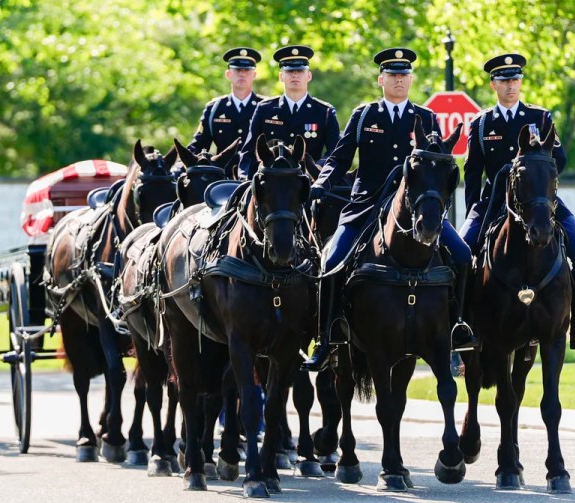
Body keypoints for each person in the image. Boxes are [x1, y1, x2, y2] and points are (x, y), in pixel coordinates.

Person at [302, 48, 475, 371]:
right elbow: (340, 158)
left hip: (416, 210)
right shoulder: (364, 115)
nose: (398, 80)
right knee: (331, 259)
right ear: (381, 80)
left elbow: (439, 165)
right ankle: (326, 338)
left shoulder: (427, 118)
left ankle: (456, 330)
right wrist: (321, 185)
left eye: (403, 75)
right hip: (366, 205)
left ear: (410, 79)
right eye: (392, 75)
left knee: (462, 256)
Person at [459, 53, 575, 354]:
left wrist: (536, 167)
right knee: (458, 251)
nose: (511, 86)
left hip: (540, 204)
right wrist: (475, 209)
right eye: (504, 81)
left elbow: (559, 159)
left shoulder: (541, 117)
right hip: (494, 203)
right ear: (493, 84)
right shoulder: (481, 124)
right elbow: (472, 173)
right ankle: (461, 324)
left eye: (515, 79)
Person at [237, 45, 340, 179]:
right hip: (269, 181)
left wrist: (316, 169)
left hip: (308, 181)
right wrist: (245, 180)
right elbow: (249, 151)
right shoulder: (264, 109)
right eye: (290, 71)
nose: (295, 75)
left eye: (300, 71)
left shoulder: (324, 112)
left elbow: (334, 152)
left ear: (309, 75)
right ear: (281, 76)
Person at [188, 47, 264, 156]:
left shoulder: (266, 107)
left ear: (254, 75)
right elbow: (198, 145)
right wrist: (179, 166)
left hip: (256, 171)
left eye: (247, 70)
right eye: (237, 70)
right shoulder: (215, 108)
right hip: (222, 171)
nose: (242, 74)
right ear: (228, 74)